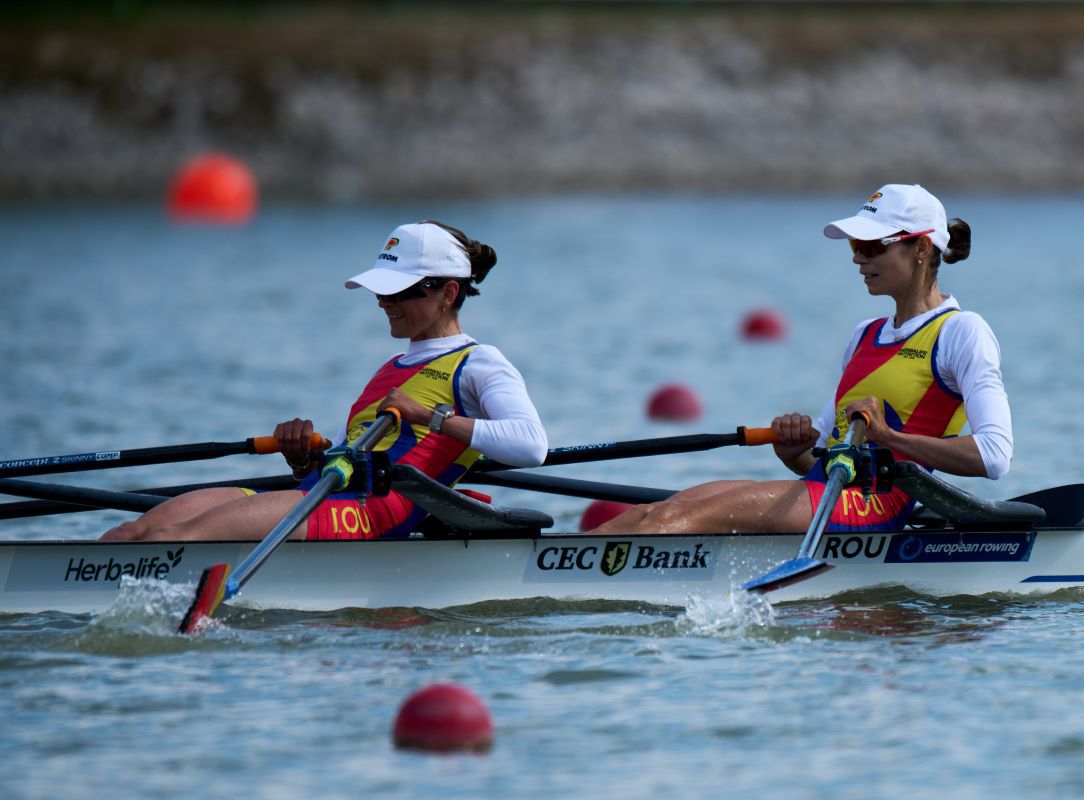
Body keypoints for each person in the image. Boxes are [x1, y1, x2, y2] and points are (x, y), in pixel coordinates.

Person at [593, 184, 1012, 534]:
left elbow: (994, 455)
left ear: (920, 248)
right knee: (655, 511)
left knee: (679, 519)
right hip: (828, 494)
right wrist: (792, 448)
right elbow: (822, 458)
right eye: (854, 245)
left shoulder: (962, 332)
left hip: (875, 506)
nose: (856, 258)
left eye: (869, 246)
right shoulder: (865, 334)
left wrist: (889, 439)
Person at [102, 221, 548, 542]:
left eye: (398, 291)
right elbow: (333, 467)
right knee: (137, 530)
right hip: (324, 498)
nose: (383, 302)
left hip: (372, 514)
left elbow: (531, 445)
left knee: (178, 537)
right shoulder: (390, 369)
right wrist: (301, 458)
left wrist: (431, 417)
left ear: (447, 294)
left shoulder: (480, 363)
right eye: (380, 291)